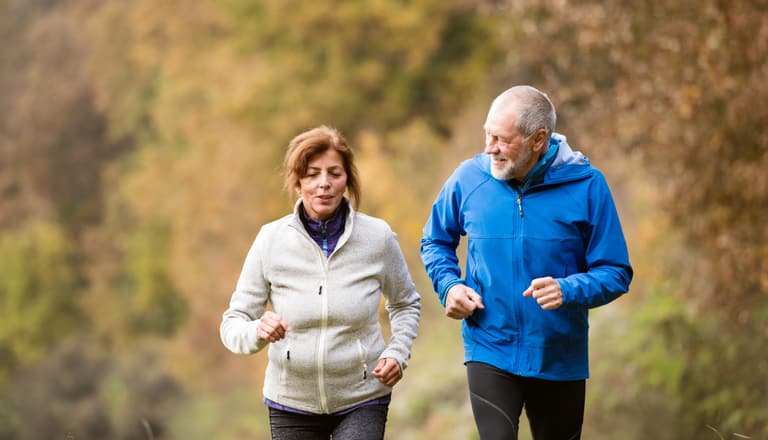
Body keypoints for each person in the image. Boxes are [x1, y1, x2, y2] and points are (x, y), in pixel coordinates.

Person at [420, 85, 633, 440]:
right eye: (487, 136)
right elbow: (435, 240)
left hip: (558, 357)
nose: (490, 148)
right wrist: (450, 286)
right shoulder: (469, 179)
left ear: (538, 140)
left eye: (502, 140)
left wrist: (568, 289)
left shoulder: (587, 186)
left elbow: (616, 272)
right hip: (490, 346)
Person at [220, 125, 421, 440]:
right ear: (297, 183)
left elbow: (405, 303)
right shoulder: (270, 240)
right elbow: (233, 323)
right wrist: (256, 331)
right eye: (312, 174)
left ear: (347, 180)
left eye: (334, 173)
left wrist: (397, 352)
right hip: (291, 402)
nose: (324, 184)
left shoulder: (377, 237)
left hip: (362, 397)